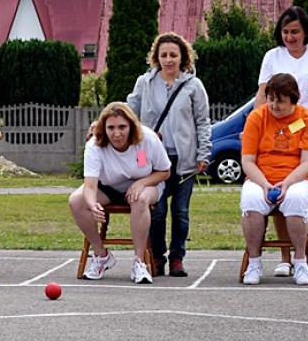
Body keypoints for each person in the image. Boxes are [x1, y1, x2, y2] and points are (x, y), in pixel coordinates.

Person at [255, 5, 308, 278]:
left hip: (307, 132)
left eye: (295, 32)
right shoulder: (272, 57)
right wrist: (255, 125)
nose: (290, 37)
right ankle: (285, 257)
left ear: (305, 32)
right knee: (277, 192)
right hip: (274, 136)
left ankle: (301, 252)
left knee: (302, 197)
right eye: (286, 32)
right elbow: (262, 96)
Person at [127, 32, 212, 278]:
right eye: (163, 55)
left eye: (173, 55)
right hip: (152, 160)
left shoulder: (193, 85)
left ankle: (177, 258)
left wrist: (203, 153)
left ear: (182, 57)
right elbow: (129, 111)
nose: (168, 60)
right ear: (156, 57)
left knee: (181, 211)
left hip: (184, 159)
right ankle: (156, 256)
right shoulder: (145, 82)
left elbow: (202, 122)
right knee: (157, 210)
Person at [69, 102, 170, 284]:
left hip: (146, 184)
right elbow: (90, 185)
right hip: (109, 186)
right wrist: (92, 204)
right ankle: (101, 255)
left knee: (139, 200)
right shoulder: (95, 145)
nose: (117, 133)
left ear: (131, 125)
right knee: (77, 201)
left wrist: (141, 183)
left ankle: (139, 262)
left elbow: (164, 172)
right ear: (103, 128)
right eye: (111, 128)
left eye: (122, 127)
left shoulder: (147, 138)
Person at [240, 73, 308, 287]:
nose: (274, 105)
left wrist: (286, 183)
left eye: (281, 101)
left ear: (294, 100)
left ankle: (300, 261)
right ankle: (255, 262)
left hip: (296, 178)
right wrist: (264, 183)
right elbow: (247, 161)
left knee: (296, 200)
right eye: (271, 99)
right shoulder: (256, 117)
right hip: (260, 178)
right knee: (250, 201)